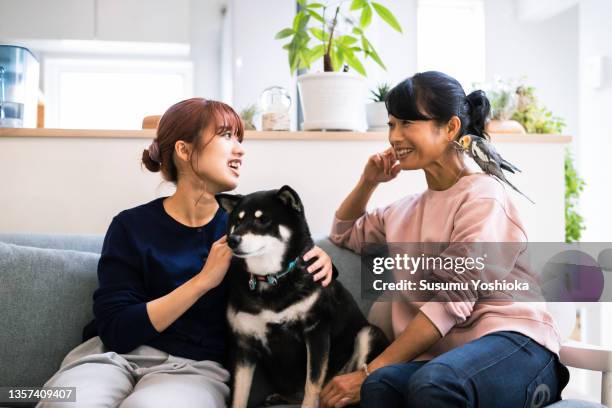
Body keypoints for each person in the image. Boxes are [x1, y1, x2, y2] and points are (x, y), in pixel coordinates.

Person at [37, 97, 335, 408]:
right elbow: (116, 330)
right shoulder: (131, 226)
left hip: (193, 370)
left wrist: (319, 260)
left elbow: (289, 289)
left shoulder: (249, 235)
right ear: (184, 150)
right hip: (107, 360)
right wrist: (203, 281)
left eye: (240, 138)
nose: (240, 149)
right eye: (225, 135)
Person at [319, 71, 570, 408]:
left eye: (407, 122)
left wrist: (366, 369)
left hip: (517, 345)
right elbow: (344, 233)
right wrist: (368, 182)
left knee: (428, 383)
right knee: (380, 386)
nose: (394, 136)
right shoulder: (402, 211)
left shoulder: (483, 195)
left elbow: (454, 298)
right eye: (391, 124)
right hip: (448, 360)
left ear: (451, 127)